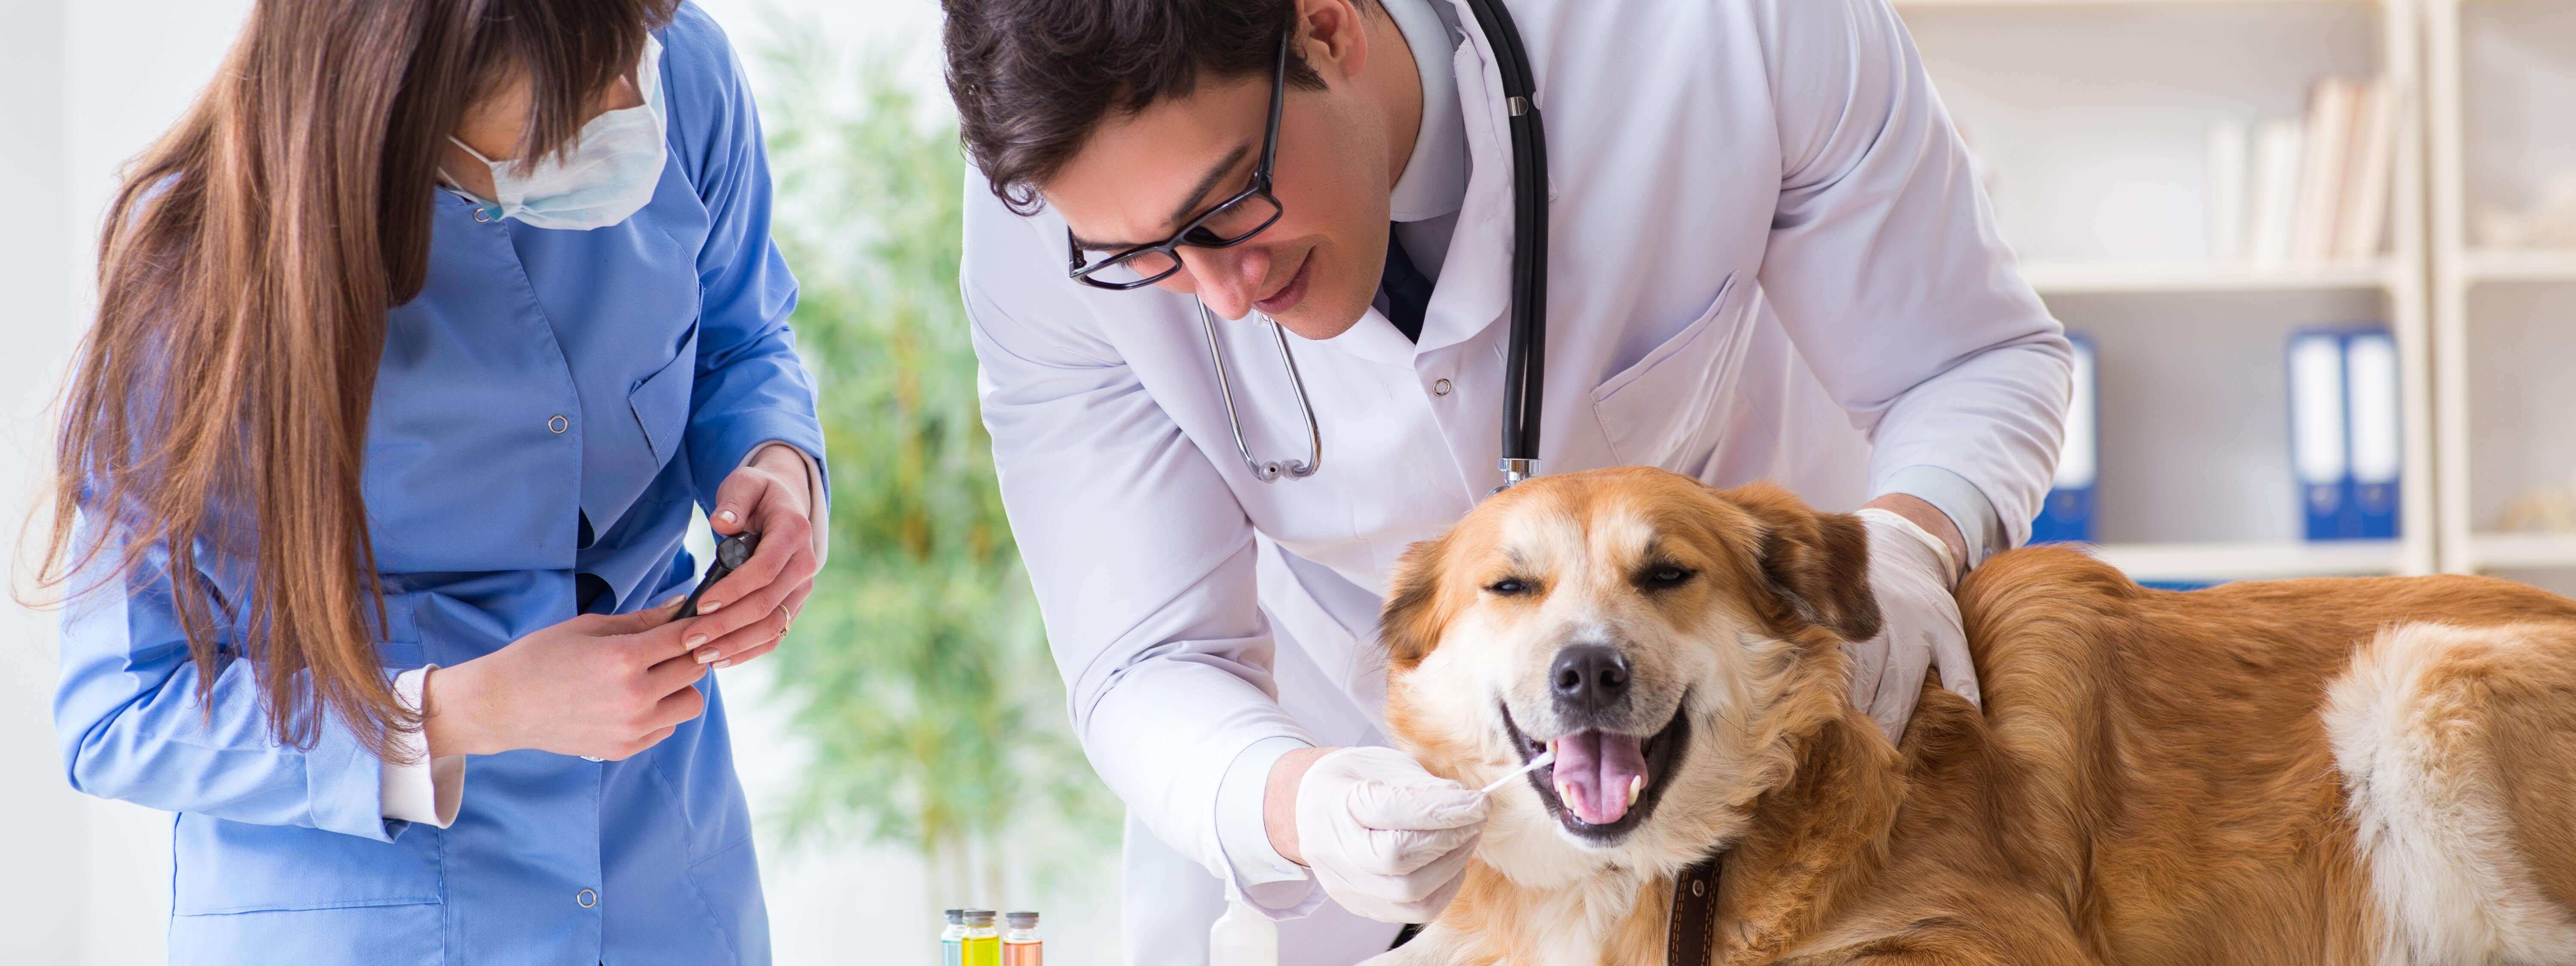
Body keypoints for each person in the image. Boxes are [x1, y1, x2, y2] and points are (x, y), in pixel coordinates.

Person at [940, 0, 2071, 962]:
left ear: (1325, 28)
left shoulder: (1717, 30)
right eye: (1143, 259)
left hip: (1771, 799)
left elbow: (1966, 361)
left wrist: (1922, 538)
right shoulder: (1044, 224)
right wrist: (1299, 804)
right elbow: (1144, 654)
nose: (1221, 296)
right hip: (1362, 830)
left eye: (1229, 202)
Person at [39, 2, 825, 963]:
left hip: (661, 866)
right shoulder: (199, 294)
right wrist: (460, 712)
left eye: (629, 64)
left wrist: (775, 460)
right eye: (567, 117)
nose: (629, 116)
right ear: (404, 108)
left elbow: (739, 333)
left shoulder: (676, 70)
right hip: (365, 909)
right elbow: (120, 717)